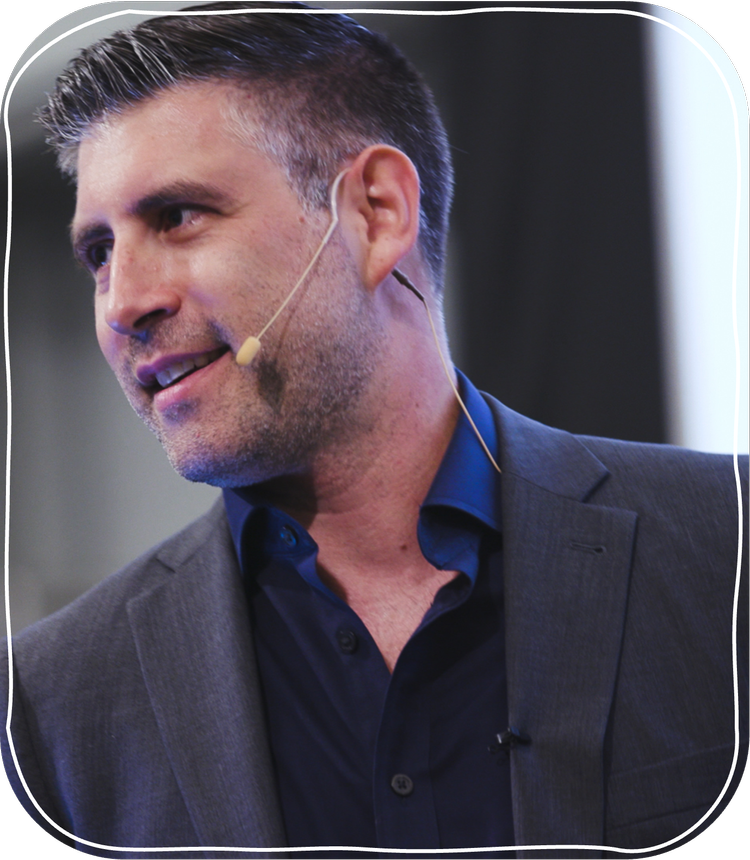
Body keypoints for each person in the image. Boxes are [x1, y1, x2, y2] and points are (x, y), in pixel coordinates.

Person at [2, 3, 747, 857]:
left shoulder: (728, 548)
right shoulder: (48, 709)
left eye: (177, 216)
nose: (123, 302)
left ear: (377, 212)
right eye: (98, 252)